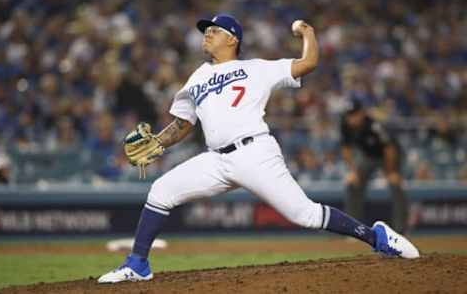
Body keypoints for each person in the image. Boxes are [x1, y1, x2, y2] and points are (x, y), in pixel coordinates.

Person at [98, 14, 419, 283]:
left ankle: (378, 237)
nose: (206, 34)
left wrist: (308, 32)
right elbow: (183, 124)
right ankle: (138, 264)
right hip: (216, 159)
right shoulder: (197, 76)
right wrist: (158, 143)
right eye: (205, 31)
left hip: (255, 153)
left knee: (305, 214)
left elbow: (308, 63)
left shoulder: (257, 68)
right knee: (160, 190)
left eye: (214, 31)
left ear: (233, 39)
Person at [340, 100, 407, 233]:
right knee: (353, 184)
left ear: (361, 114)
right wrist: (353, 172)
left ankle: (400, 230)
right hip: (369, 156)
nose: (351, 118)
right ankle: (353, 230)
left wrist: (392, 171)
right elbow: (346, 150)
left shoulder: (373, 125)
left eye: (354, 114)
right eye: (349, 115)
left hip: (390, 156)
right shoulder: (345, 124)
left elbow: (389, 149)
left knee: (395, 184)